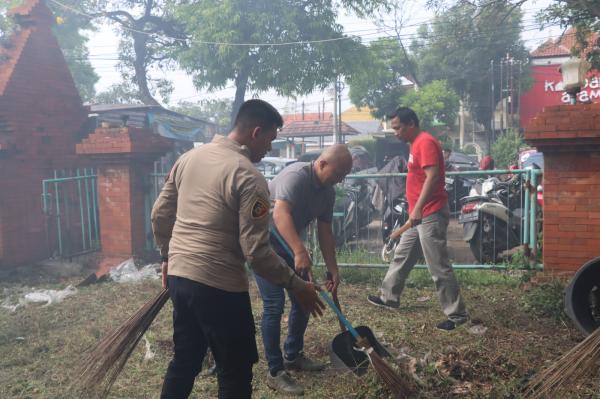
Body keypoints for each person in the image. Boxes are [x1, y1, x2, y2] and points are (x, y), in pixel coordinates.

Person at [151, 99, 325, 399]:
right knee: (235, 372)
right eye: (270, 140)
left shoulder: (187, 159)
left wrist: (167, 257)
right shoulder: (248, 176)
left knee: (185, 361)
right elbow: (256, 252)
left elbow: (159, 215)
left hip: (180, 279)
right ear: (256, 132)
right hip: (219, 286)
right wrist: (297, 285)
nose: (269, 149)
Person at [255, 145, 353, 396]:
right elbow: (280, 214)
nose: (340, 179)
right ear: (322, 164)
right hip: (264, 245)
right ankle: (276, 370)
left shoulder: (327, 193)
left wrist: (333, 269)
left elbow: (325, 230)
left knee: (305, 297)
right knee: (274, 304)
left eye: (344, 175)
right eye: (339, 173)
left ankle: (293, 355)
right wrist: (300, 251)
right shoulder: (295, 176)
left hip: (291, 245)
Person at [367, 107, 469, 331]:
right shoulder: (414, 144)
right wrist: (414, 210)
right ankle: (389, 297)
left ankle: (457, 315)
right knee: (402, 255)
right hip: (419, 214)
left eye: (398, 127)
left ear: (411, 123)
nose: (395, 132)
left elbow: (432, 177)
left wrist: (419, 208)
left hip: (429, 213)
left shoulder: (425, 142)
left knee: (438, 266)